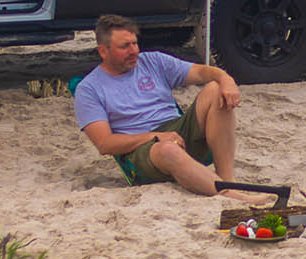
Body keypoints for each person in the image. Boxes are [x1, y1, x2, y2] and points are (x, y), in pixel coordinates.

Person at [74, 14, 248, 195]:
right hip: (141, 149)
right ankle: (228, 193)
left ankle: (227, 181)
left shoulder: (153, 61)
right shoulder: (89, 89)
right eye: (124, 46)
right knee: (167, 149)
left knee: (215, 88)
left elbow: (201, 72)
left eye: (135, 43)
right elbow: (105, 144)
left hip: (177, 132)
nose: (134, 51)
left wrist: (226, 80)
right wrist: (156, 136)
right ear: (103, 51)